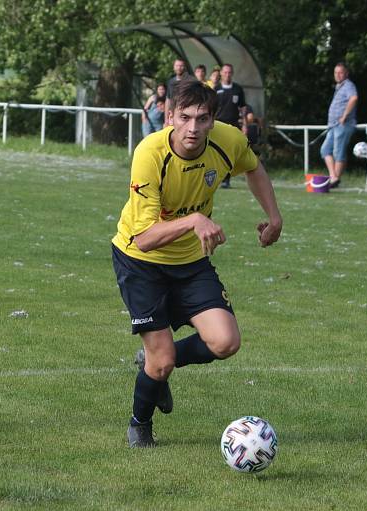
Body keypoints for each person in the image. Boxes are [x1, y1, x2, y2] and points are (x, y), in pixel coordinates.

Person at [110, 79, 283, 448]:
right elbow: (144, 237)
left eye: (202, 119)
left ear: (212, 119)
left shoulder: (228, 140)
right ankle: (140, 424)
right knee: (162, 362)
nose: (192, 128)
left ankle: (154, 361)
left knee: (225, 342)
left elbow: (253, 167)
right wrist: (193, 220)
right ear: (168, 116)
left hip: (190, 261)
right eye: (184, 117)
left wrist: (274, 217)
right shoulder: (150, 154)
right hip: (140, 261)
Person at [320, 62, 358, 188]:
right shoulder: (339, 87)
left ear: (346, 73)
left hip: (343, 124)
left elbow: (353, 98)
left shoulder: (348, 85)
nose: (338, 75)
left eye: (340, 72)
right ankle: (334, 177)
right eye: (336, 72)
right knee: (325, 150)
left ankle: (335, 180)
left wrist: (344, 115)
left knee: (338, 152)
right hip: (333, 125)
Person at [214, 64, 247, 188]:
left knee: (229, 153)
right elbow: (211, 107)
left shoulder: (238, 89)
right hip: (218, 126)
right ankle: (217, 178)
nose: (227, 74)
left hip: (233, 126)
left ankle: (226, 180)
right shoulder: (216, 89)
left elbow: (243, 107)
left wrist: (244, 124)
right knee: (217, 153)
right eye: (225, 72)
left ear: (232, 73)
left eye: (229, 72)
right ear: (221, 73)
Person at [165, 59, 188, 125]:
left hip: (184, 116)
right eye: (177, 65)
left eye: (181, 66)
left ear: (185, 67)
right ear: (174, 67)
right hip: (172, 116)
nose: (179, 68)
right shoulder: (170, 82)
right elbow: (168, 100)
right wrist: (166, 119)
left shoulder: (190, 81)